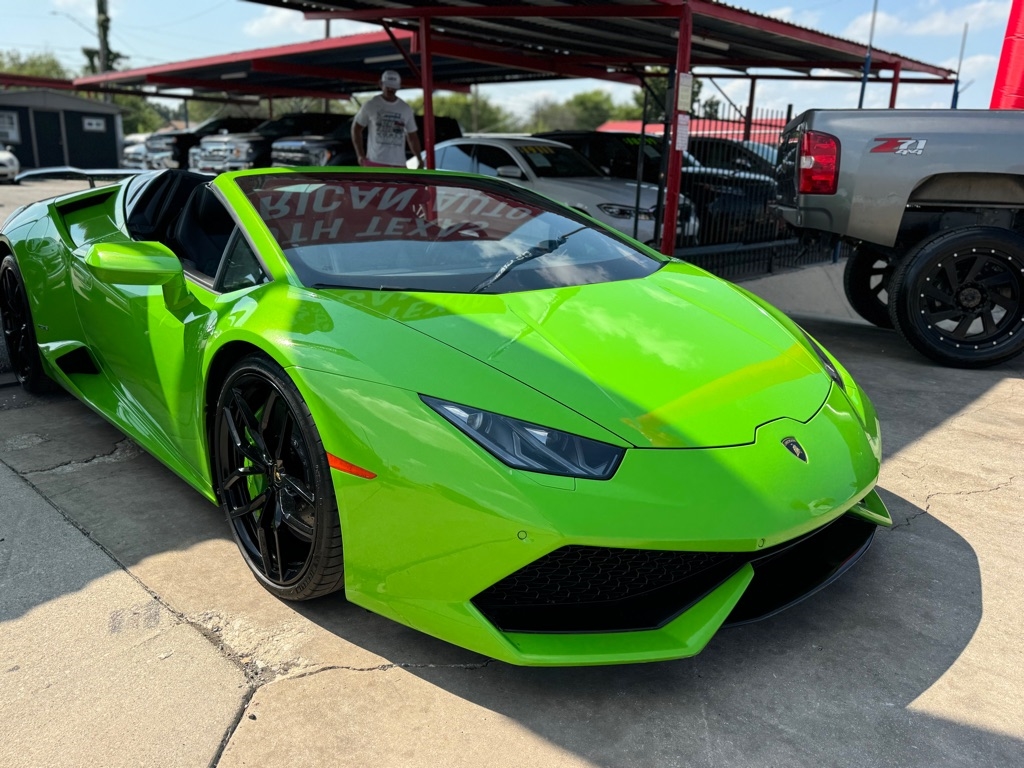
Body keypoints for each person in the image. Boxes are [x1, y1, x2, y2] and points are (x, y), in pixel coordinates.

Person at [351, 70, 423, 168]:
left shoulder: (405, 108)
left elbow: (412, 136)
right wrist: (360, 155)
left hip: (399, 164)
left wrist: (419, 158)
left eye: (393, 87)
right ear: (381, 84)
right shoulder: (371, 105)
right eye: (388, 86)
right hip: (375, 162)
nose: (390, 90)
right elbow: (356, 128)